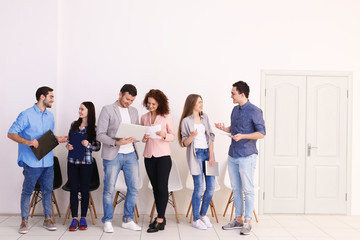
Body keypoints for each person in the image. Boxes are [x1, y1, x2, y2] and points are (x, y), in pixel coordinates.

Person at [7, 86, 68, 234]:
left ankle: (48, 219)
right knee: (28, 191)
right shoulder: (26, 115)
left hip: (48, 161)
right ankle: (24, 221)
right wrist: (28, 142)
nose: (53, 100)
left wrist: (58, 138)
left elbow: (49, 137)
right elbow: (11, 133)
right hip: (31, 162)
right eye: (51, 97)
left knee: (48, 191)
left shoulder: (50, 116)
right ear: (42, 97)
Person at [215, 81, 265, 235]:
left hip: (247, 155)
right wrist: (225, 128)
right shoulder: (234, 110)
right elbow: (235, 128)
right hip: (233, 155)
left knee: (248, 190)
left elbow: (261, 133)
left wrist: (243, 136)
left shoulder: (255, 111)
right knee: (236, 189)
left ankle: (248, 222)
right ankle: (238, 219)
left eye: (233, 93)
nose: (231, 96)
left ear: (242, 94)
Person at [97, 84, 141, 233]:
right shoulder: (107, 109)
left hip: (130, 155)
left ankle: (128, 219)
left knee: (134, 188)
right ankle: (107, 220)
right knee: (109, 189)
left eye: (132, 100)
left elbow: (135, 133)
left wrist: (141, 136)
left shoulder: (134, 112)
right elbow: (100, 134)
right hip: (112, 155)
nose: (129, 102)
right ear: (120, 94)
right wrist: (116, 142)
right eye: (127, 99)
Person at [178, 94, 216, 230]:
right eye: (199, 102)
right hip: (196, 155)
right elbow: (184, 143)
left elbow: (211, 136)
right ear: (192, 103)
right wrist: (192, 136)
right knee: (199, 188)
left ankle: (202, 215)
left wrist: (211, 156)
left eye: (202, 102)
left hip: (209, 154)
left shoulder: (205, 117)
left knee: (211, 188)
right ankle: (195, 219)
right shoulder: (186, 121)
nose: (201, 104)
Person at [141, 89, 174, 233]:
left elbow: (173, 136)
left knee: (162, 187)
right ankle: (161, 217)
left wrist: (164, 134)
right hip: (149, 156)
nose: (150, 106)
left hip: (163, 157)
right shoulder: (144, 117)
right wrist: (144, 138)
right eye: (148, 103)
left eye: (153, 103)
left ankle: (160, 219)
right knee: (155, 187)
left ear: (159, 103)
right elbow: (140, 137)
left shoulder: (166, 117)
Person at [66, 102, 101, 231]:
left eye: (82, 109)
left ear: (89, 111)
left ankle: (83, 218)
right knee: (73, 190)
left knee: (85, 191)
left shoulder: (95, 129)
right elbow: (69, 142)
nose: (79, 111)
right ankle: (74, 218)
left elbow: (97, 147)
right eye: (79, 109)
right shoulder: (73, 125)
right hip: (72, 162)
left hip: (86, 164)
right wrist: (68, 146)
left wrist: (88, 145)